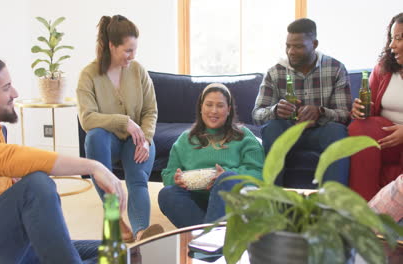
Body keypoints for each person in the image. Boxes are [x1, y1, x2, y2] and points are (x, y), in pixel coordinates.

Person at [0, 54, 127, 264]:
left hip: (10, 245)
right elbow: (9, 159)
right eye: (6, 88)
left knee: (116, 255)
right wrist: (94, 166)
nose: (15, 93)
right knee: (37, 184)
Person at [76, 15, 161, 242]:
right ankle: (114, 218)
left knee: (136, 178)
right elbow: (87, 118)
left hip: (138, 140)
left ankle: (141, 232)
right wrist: (124, 122)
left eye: (134, 50)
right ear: (112, 46)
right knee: (94, 138)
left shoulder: (138, 71)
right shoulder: (89, 75)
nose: (132, 56)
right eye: (127, 50)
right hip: (108, 142)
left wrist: (145, 139)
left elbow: (150, 111)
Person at [252, 18, 352, 186]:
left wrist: (320, 112)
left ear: (314, 44)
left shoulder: (335, 69)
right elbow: (257, 114)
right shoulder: (274, 72)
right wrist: (275, 111)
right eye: (288, 45)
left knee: (337, 131)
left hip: (320, 131)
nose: (291, 51)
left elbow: (345, 115)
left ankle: (332, 206)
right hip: (286, 132)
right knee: (272, 128)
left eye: (298, 46)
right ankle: (273, 204)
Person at [158, 83, 264, 228]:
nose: (214, 111)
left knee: (225, 178)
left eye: (220, 106)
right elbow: (168, 173)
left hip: (233, 201)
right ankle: (211, 235)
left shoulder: (244, 136)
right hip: (196, 203)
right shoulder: (185, 139)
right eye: (209, 105)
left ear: (228, 110)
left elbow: (258, 174)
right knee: (166, 194)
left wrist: (228, 175)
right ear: (201, 108)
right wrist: (175, 179)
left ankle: (204, 238)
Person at [349, 13, 403, 201]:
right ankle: (365, 209)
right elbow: (369, 109)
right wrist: (359, 110)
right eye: (391, 38)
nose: (391, 45)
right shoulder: (384, 68)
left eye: (399, 38)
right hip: (388, 138)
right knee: (358, 127)